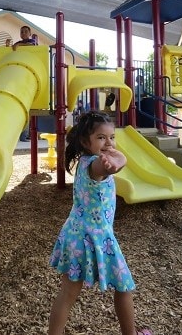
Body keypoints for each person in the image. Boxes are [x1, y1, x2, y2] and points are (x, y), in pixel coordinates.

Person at [47, 111, 151, 335]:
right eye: (101, 138)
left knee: (68, 293)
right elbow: (105, 169)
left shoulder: (85, 161)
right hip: (95, 238)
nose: (108, 142)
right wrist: (120, 162)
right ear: (86, 141)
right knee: (124, 287)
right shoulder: (96, 164)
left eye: (111, 137)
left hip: (76, 234)